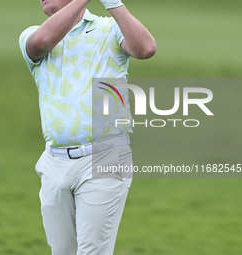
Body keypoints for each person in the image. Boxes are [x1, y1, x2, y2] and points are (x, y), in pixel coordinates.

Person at [19, 0, 156, 254]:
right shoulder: (31, 34)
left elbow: (146, 48)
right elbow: (40, 44)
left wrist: (114, 3)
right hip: (54, 162)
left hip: (105, 156)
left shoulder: (109, 29)